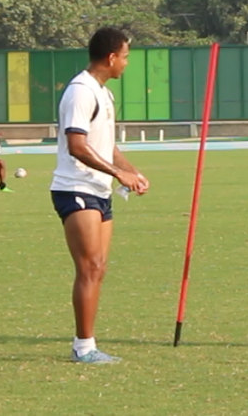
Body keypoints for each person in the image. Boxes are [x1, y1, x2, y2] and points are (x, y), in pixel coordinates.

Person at [52, 27, 150, 364]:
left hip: (98, 189)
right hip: (75, 188)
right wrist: (117, 173)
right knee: (90, 266)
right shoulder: (81, 91)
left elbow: (105, 145)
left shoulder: (103, 93)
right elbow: (77, 146)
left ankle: (87, 344)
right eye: (125, 57)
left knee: (99, 268)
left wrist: (130, 171)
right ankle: (83, 348)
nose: (126, 63)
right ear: (111, 57)